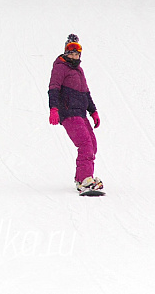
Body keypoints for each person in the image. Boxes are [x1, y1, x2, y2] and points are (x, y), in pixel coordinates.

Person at [48, 34, 102, 194]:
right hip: (69, 112)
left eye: (76, 52)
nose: (74, 55)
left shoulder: (79, 71)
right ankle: (85, 180)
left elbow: (86, 93)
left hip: (81, 113)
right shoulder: (60, 67)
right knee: (85, 144)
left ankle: (83, 179)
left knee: (92, 144)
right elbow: (54, 88)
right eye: (70, 52)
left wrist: (93, 111)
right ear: (65, 52)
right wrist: (54, 108)